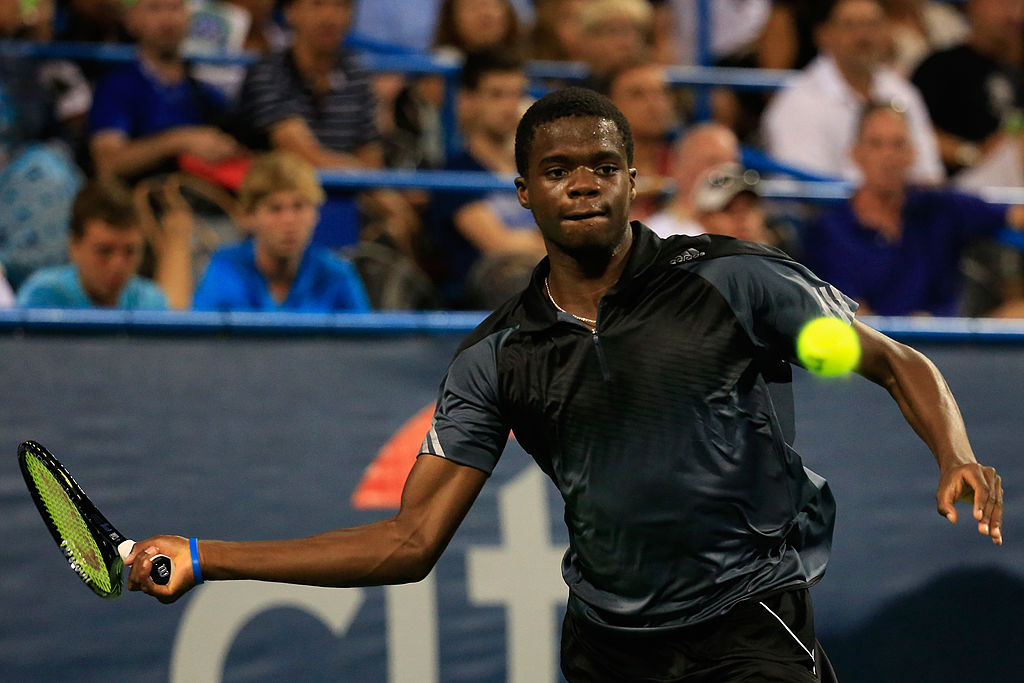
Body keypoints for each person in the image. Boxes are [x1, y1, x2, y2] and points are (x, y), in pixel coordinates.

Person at [125, 88, 1003, 682]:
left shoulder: (734, 283)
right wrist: (207, 557)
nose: (581, 180)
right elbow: (410, 540)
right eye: (557, 169)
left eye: (601, 165)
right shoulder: (497, 356)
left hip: (747, 620)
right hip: (607, 646)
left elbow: (892, 359)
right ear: (522, 193)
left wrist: (953, 450)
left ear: (633, 181)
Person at [803, 103, 1024, 317]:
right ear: (856, 154)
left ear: (912, 154)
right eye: (876, 144)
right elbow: (852, 318)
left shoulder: (938, 207)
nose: (888, 155)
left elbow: (1014, 214)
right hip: (880, 349)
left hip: (952, 345)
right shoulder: (830, 231)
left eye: (898, 144)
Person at [763, 0, 943, 183]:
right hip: (830, 209)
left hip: (902, 208)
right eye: (850, 25)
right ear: (823, 34)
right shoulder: (797, 103)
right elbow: (809, 190)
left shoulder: (904, 92)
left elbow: (928, 173)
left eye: (872, 24)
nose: (863, 35)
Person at [428, 51, 543, 308]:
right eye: (496, 94)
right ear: (468, 101)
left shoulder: (536, 169)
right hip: (487, 308)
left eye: (517, 94)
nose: (510, 106)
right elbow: (499, 245)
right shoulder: (454, 173)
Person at [191, 152, 370, 312]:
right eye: (275, 209)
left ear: (315, 214)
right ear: (249, 217)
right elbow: (201, 344)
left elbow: (364, 345)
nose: (289, 221)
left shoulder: (336, 274)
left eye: (299, 207)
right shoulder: (225, 269)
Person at [88, 0, 244, 180]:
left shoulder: (203, 88)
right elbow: (107, 163)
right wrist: (179, 141)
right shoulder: (116, 87)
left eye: (176, 8)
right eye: (155, 8)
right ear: (131, 20)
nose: (168, 20)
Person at [911, 0, 1024, 182]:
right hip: (963, 186)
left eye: (1017, 6)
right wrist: (973, 153)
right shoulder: (940, 67)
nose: (1014, 16)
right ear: (975, 6)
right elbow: (915, 132)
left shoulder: (1017, 69)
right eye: (1004, 4)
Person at [16, 178, 168, 309]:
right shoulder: (43, 295)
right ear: (74, 246)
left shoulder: (150, 302)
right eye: (104, 251)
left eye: (130, 251)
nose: (117, 264)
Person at [602, 60, 679, 220]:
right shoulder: (591, 170)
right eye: (638, 95)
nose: (655, 104)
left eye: (662, 93)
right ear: (607, 105)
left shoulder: (685, 164)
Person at [645, 122, 741, 238]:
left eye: (732, 162)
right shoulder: (658, 235)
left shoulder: (750, 227)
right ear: (678, 167)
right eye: (713, 162)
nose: (725, 171)